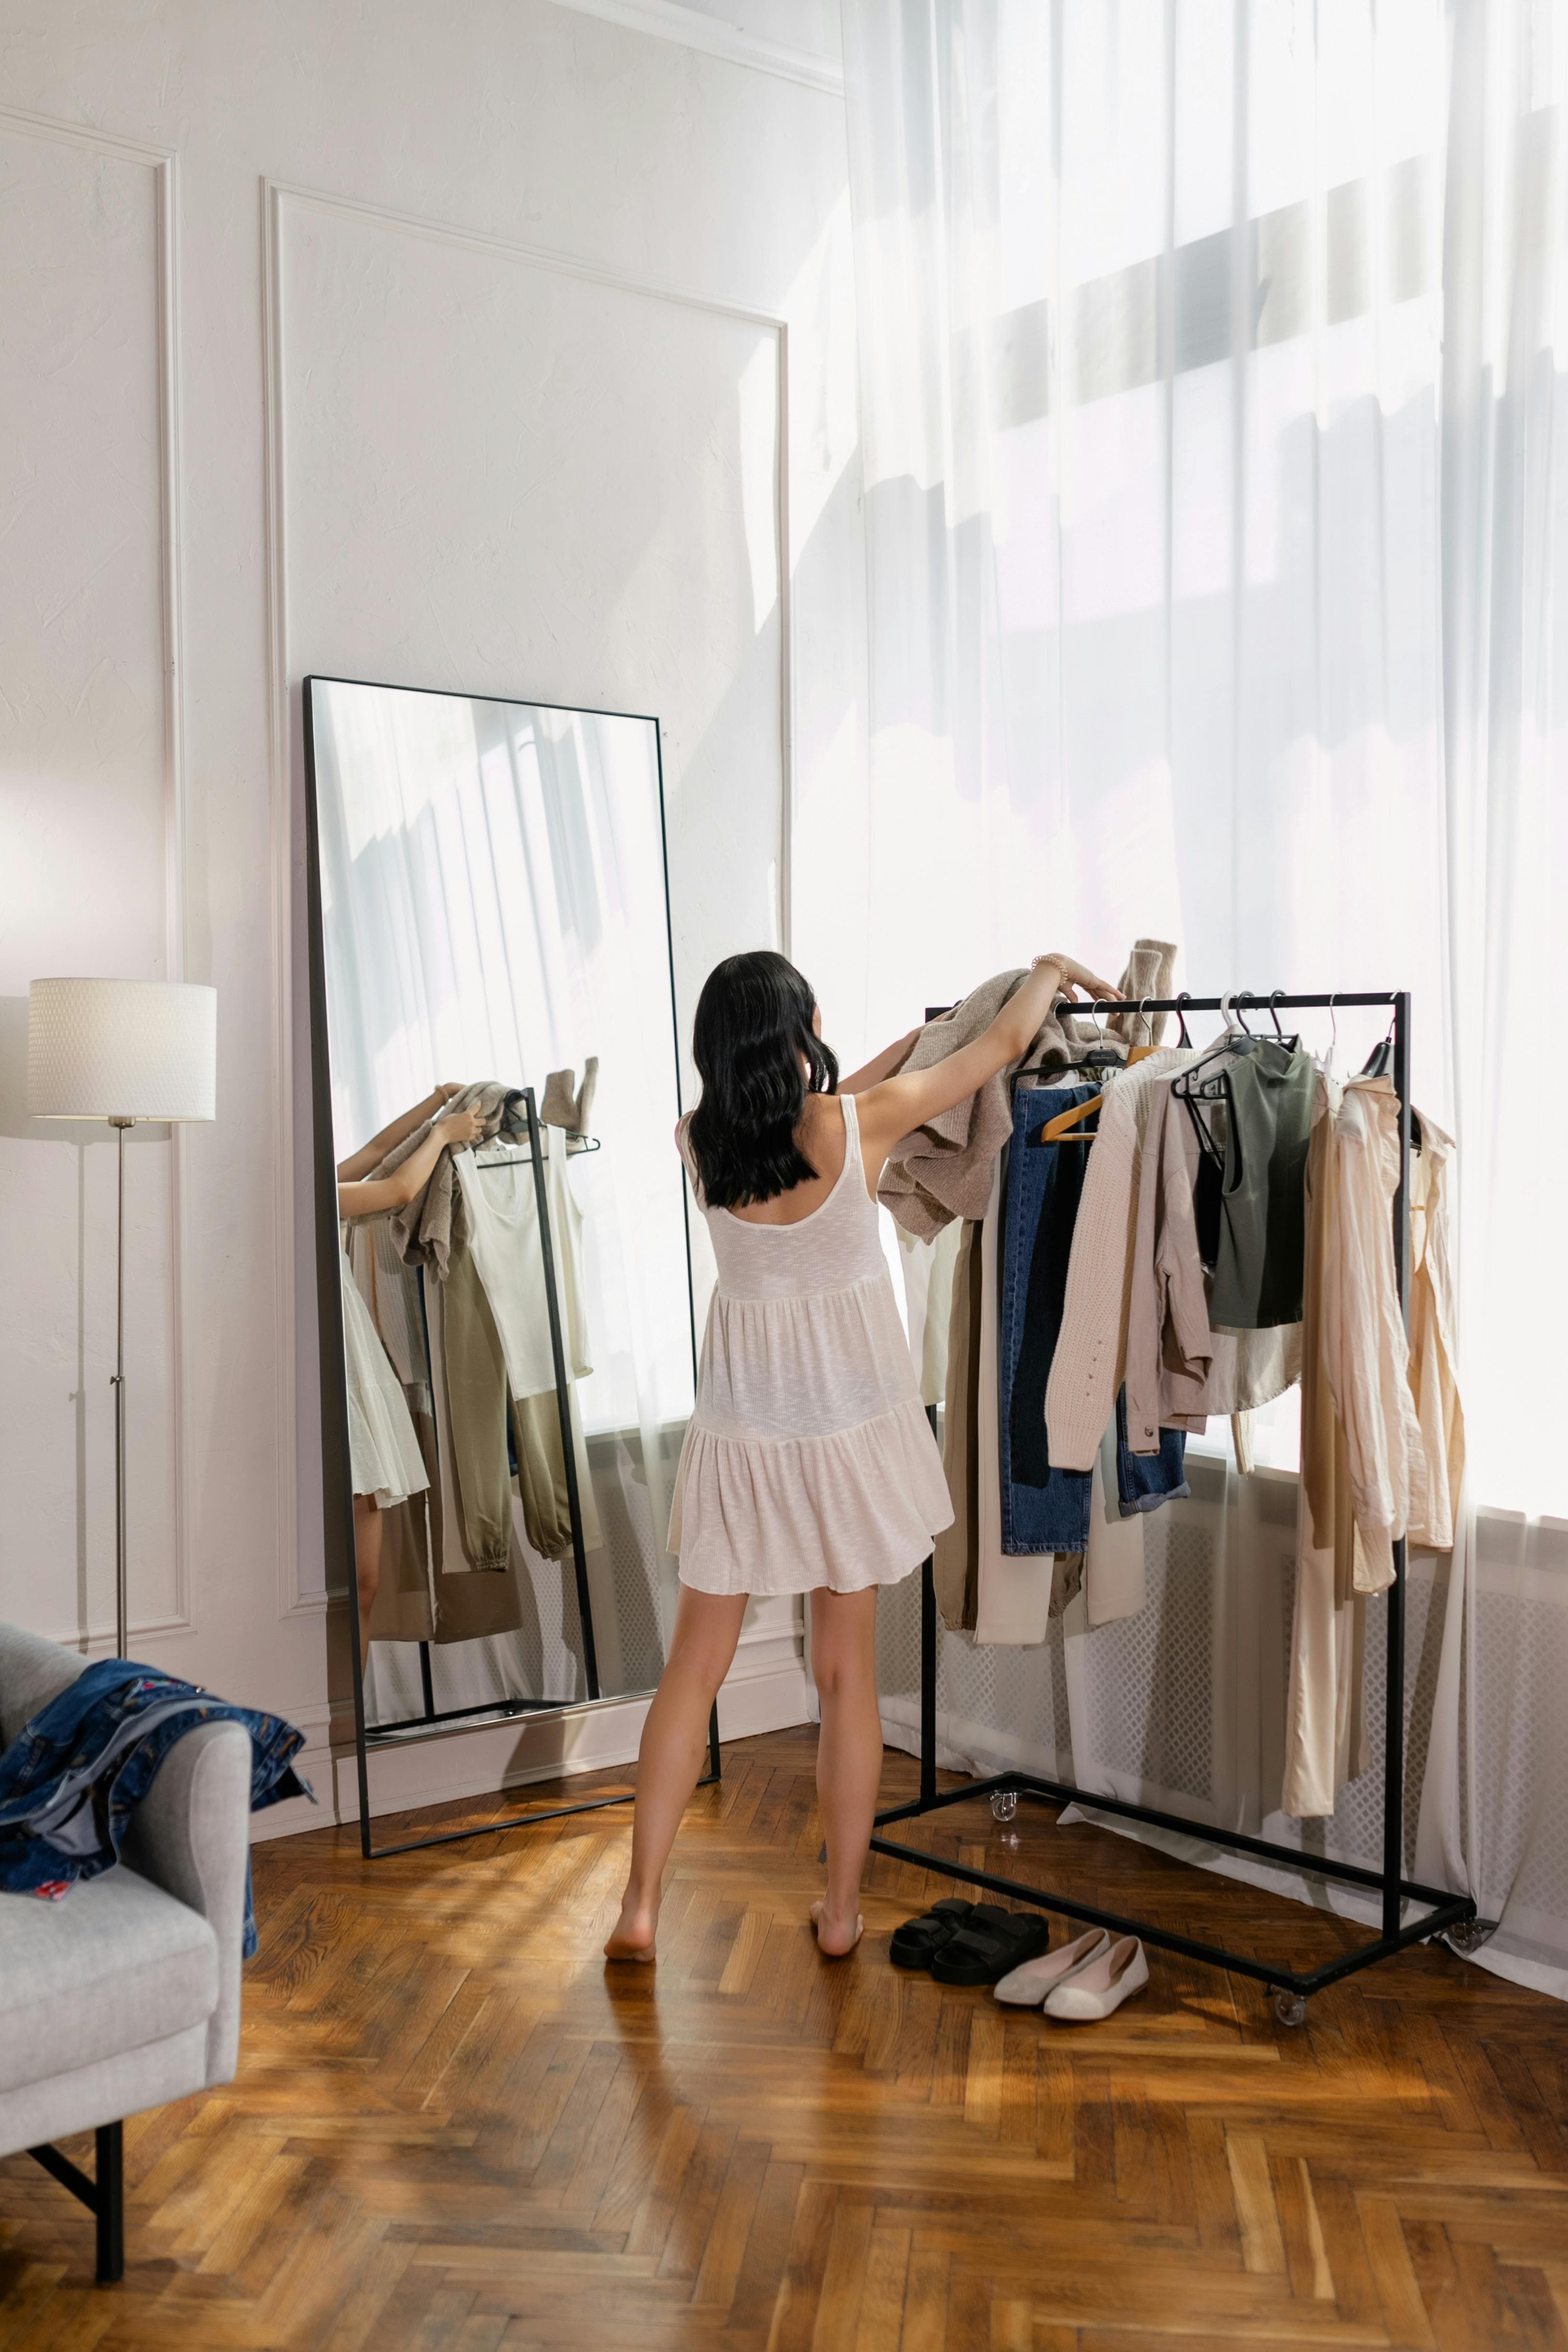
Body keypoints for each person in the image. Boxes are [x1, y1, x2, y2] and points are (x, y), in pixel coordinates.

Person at [604, 949, 1121, 1962]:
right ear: (794, 1031)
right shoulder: (854, 1127)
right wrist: (1041, 969)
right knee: (846, 1678)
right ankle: (839, 1913)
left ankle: (638, 1906)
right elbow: (999, 1049)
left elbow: (861, 1088)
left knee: (688, 1677)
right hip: (843, 1440)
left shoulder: (696, 1143)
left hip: (743, 1440)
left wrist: (880, 1054)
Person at [336, 1085, 485, 1664]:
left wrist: (433, 1103)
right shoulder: (293, 1191)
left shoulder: (312, 1181)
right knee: (356, 1586)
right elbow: (398, 1188)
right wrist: (445, 1134)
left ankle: (349, 1729)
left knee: (365, 1583)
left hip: (355, 1376)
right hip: (336, 1381)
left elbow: (376, 1149)